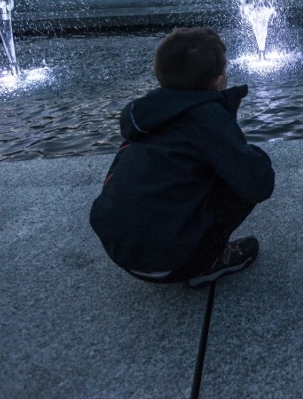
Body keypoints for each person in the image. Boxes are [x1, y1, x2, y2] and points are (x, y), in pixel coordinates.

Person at [89, 27, 275, 289]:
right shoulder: (207, 118)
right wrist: (237, 143)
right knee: (245, 173)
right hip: (172, 262)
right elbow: (260, 183)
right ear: (218, 80)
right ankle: (207, 263)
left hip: (120, 252)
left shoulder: (145, 116)